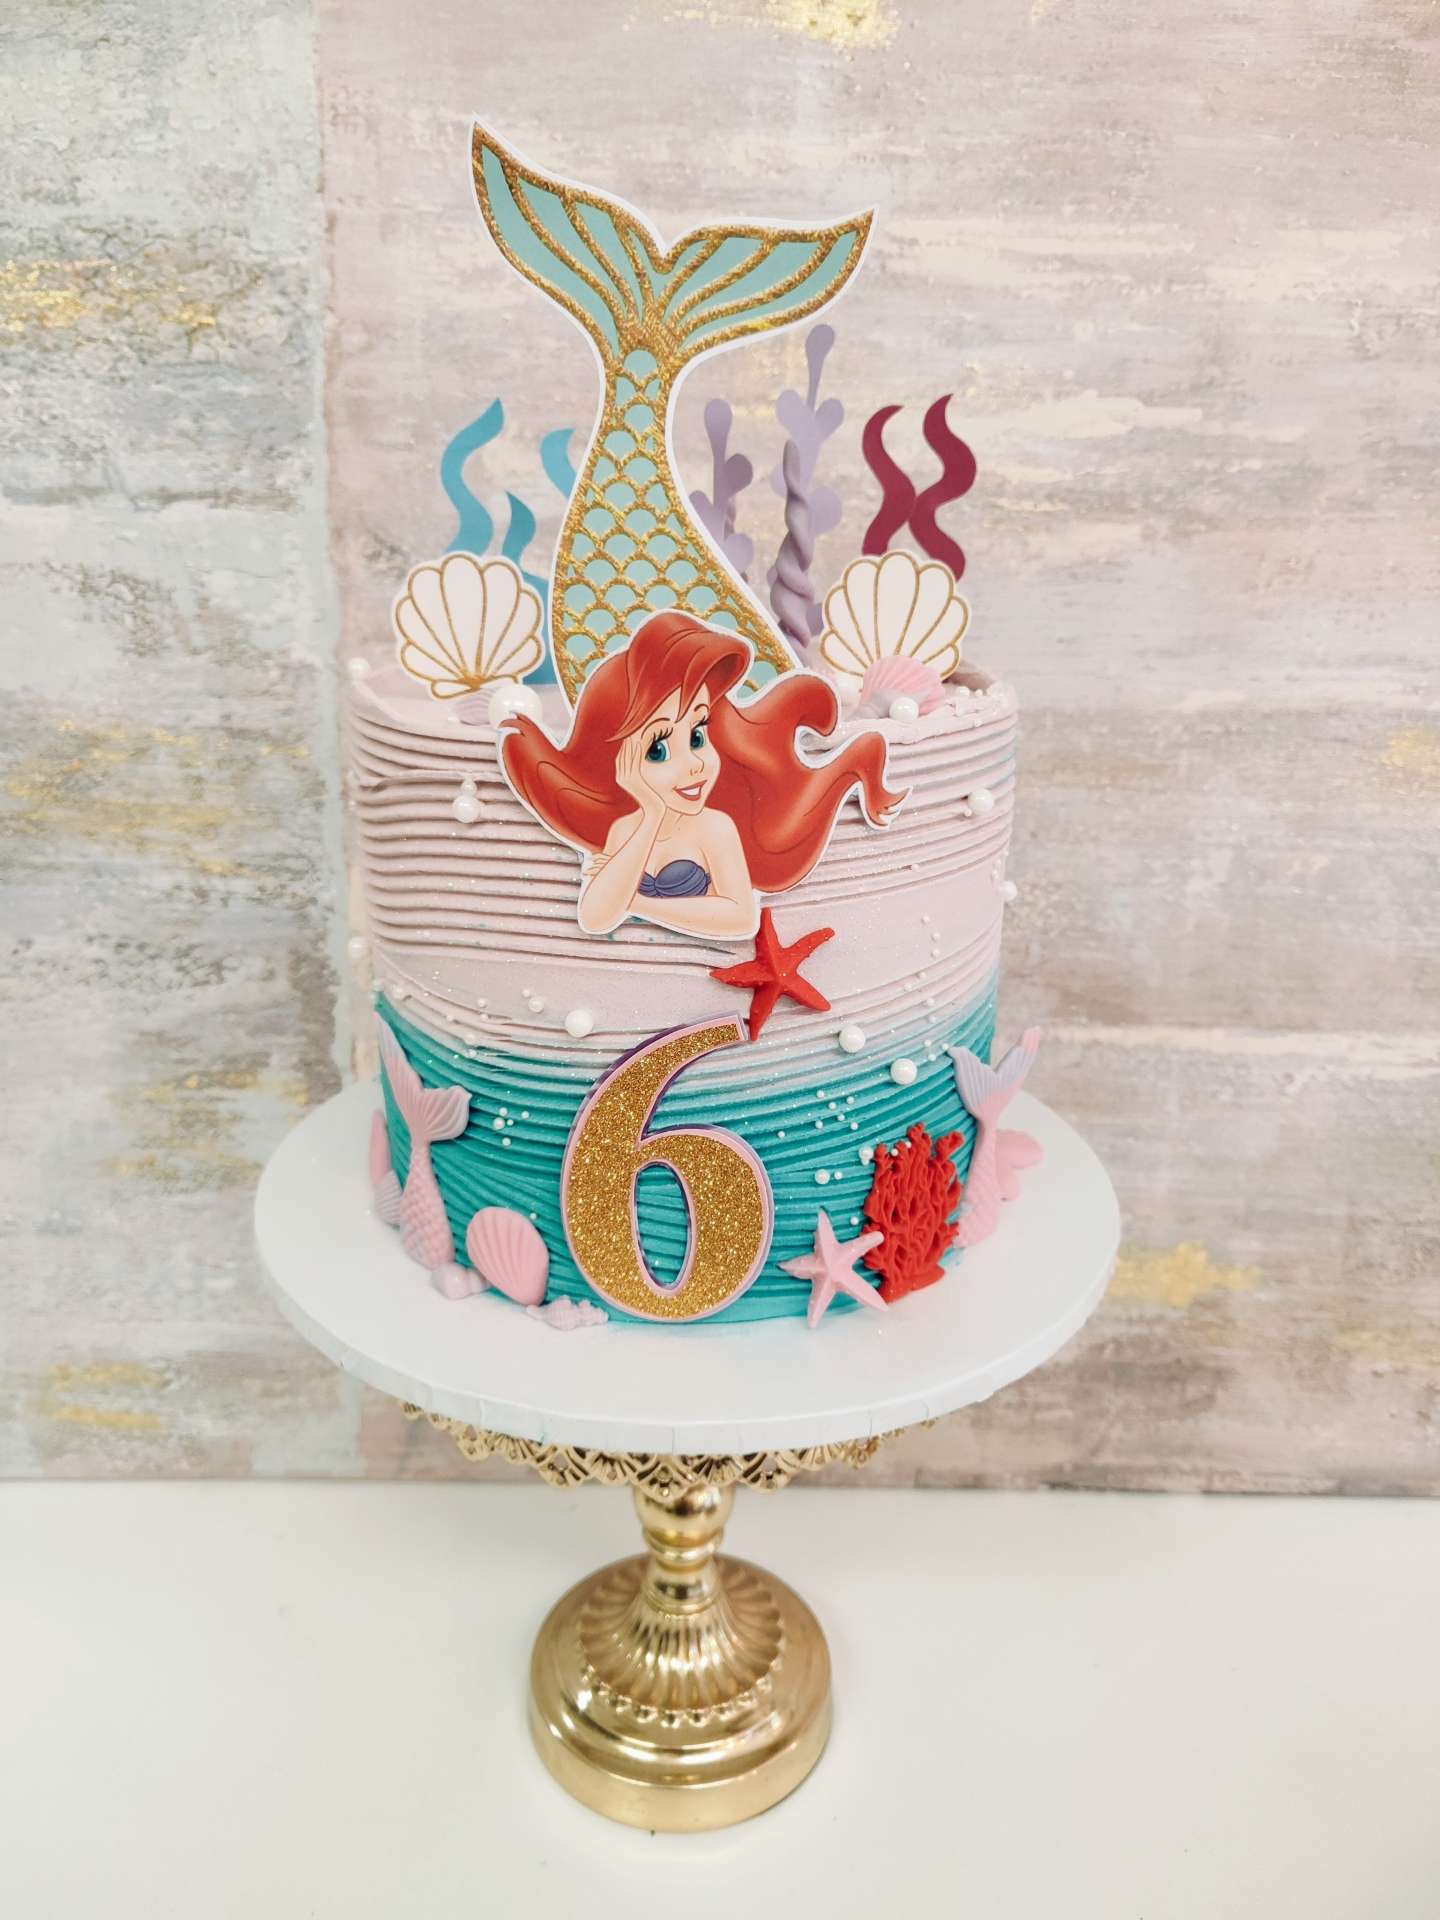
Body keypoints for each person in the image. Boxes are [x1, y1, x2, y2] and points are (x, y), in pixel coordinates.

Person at [499, 611, 905, 938]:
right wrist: (650, 816)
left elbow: (740, 917)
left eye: (697, 736)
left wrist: (635, 902)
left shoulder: (714, 828)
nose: (694, 763)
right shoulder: (625, 831)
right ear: (619, 762)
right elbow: (595, 916)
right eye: (658, 750)